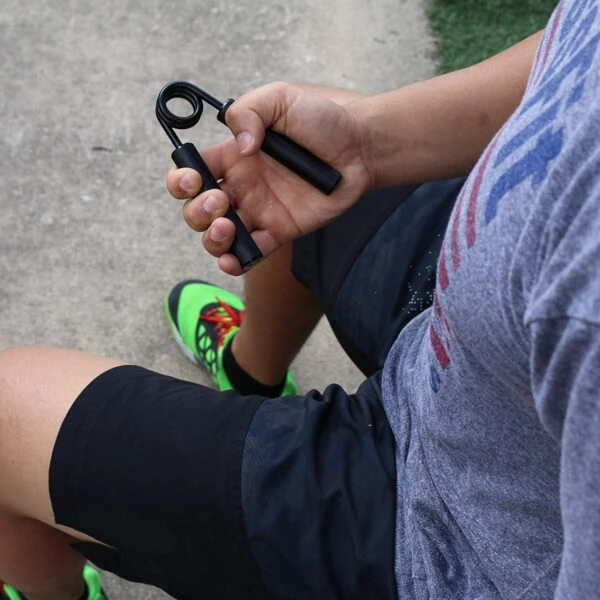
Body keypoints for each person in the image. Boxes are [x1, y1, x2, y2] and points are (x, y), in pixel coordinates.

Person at [1, 0, 599, 597]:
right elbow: (572, 56)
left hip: (444, 536)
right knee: (291, 151)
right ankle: (249, 374)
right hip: (478, 312)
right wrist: (367, 146)